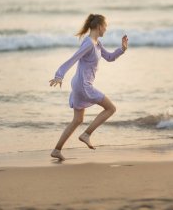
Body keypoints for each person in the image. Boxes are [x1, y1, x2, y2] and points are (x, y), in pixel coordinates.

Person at [49, 14, 128, 161]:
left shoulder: (96, 43)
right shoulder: (89, 44)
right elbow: (74, 58)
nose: (106, 29)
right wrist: (59, 75)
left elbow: (109, 57)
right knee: (111, 108)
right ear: (99, 26)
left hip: (79, 83)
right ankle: (86, 134)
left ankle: (56, 150)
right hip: (84, 85)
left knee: (77, 119)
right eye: (105, 26)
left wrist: (122, 49)